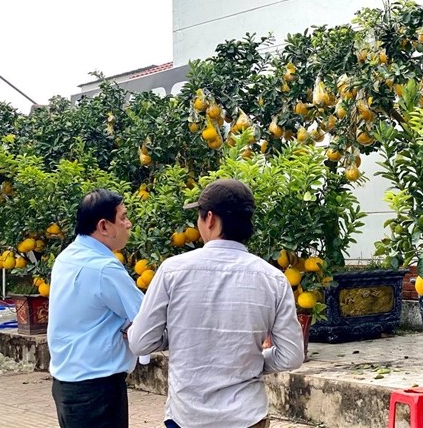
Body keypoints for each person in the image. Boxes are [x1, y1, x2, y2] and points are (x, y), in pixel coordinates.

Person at [128, 179, 304, 428]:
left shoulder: (172, 271)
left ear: (209, 219)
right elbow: (291, 356)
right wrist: (252, 361)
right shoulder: (273, 278)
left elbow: (140, 342)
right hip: (247, 416)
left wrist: (175, 336)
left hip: (187, 416)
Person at [47, 189, 144, 428]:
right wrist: (135, 327)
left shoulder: (67, 257)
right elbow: (146, 316)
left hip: (67, 385)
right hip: (97, 390)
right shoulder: (103, 268)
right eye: (122, 217)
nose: (128, 224)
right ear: (104, 226)